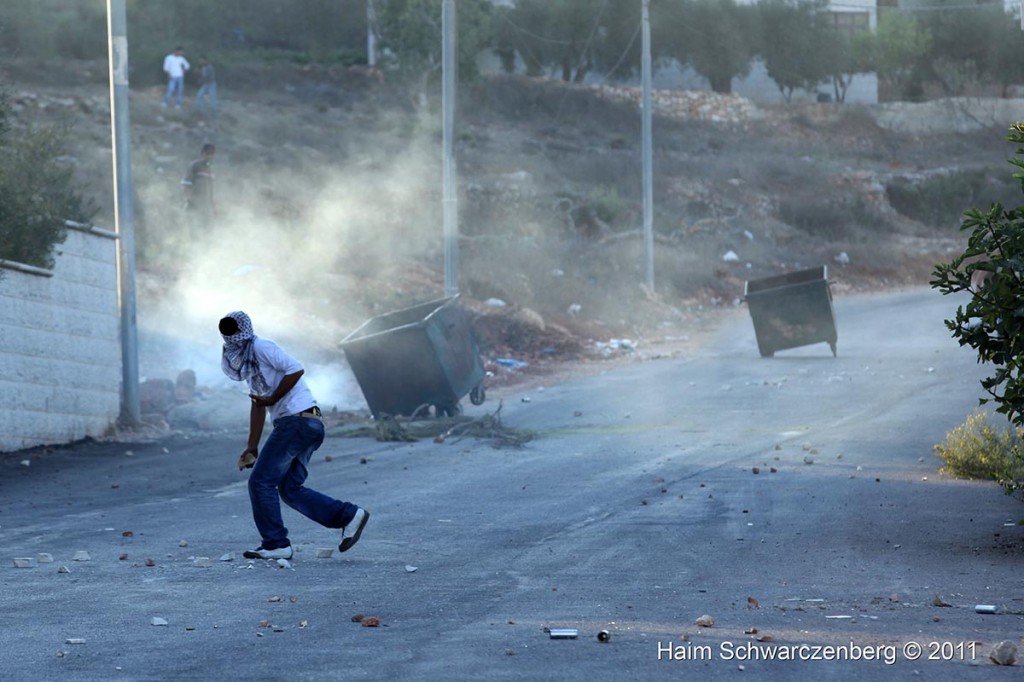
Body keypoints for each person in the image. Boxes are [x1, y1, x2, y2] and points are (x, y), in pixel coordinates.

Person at [219, 310, 370, 560]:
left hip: (297, 421)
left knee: (260, 482)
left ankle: (275, 543)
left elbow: (296, 369)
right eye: (227, 332)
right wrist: (252, 446)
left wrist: (274, 398)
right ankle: (349, 516)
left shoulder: (262, 347)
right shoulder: (250, 363)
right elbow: (259, 403)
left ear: (245, 328)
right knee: (289, 489)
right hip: (304, 424)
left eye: (234, 330)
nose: (231, 337)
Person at [181, 143, 216, 236]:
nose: (210, 156)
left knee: (207, 233)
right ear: (202, 154)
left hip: (206, 208)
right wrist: (189, 200)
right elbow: (186, 185)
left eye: (212, 153)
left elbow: (211, 191)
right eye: (208, 153)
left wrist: (213, 207)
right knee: (195, 232)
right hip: (194, 206)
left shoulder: (210, 170)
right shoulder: (195, 166)